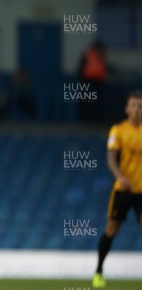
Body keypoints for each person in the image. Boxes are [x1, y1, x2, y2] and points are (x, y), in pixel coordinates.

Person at [92, 91, 142, 288]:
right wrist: (120, 176)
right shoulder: (118, 130)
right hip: (123, 189)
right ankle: (98, 271)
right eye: (134, 105)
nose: (138, 109)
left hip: (141, 191)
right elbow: (111, 157)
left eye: (140, 106)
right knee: (112, 229)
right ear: (127, 109)